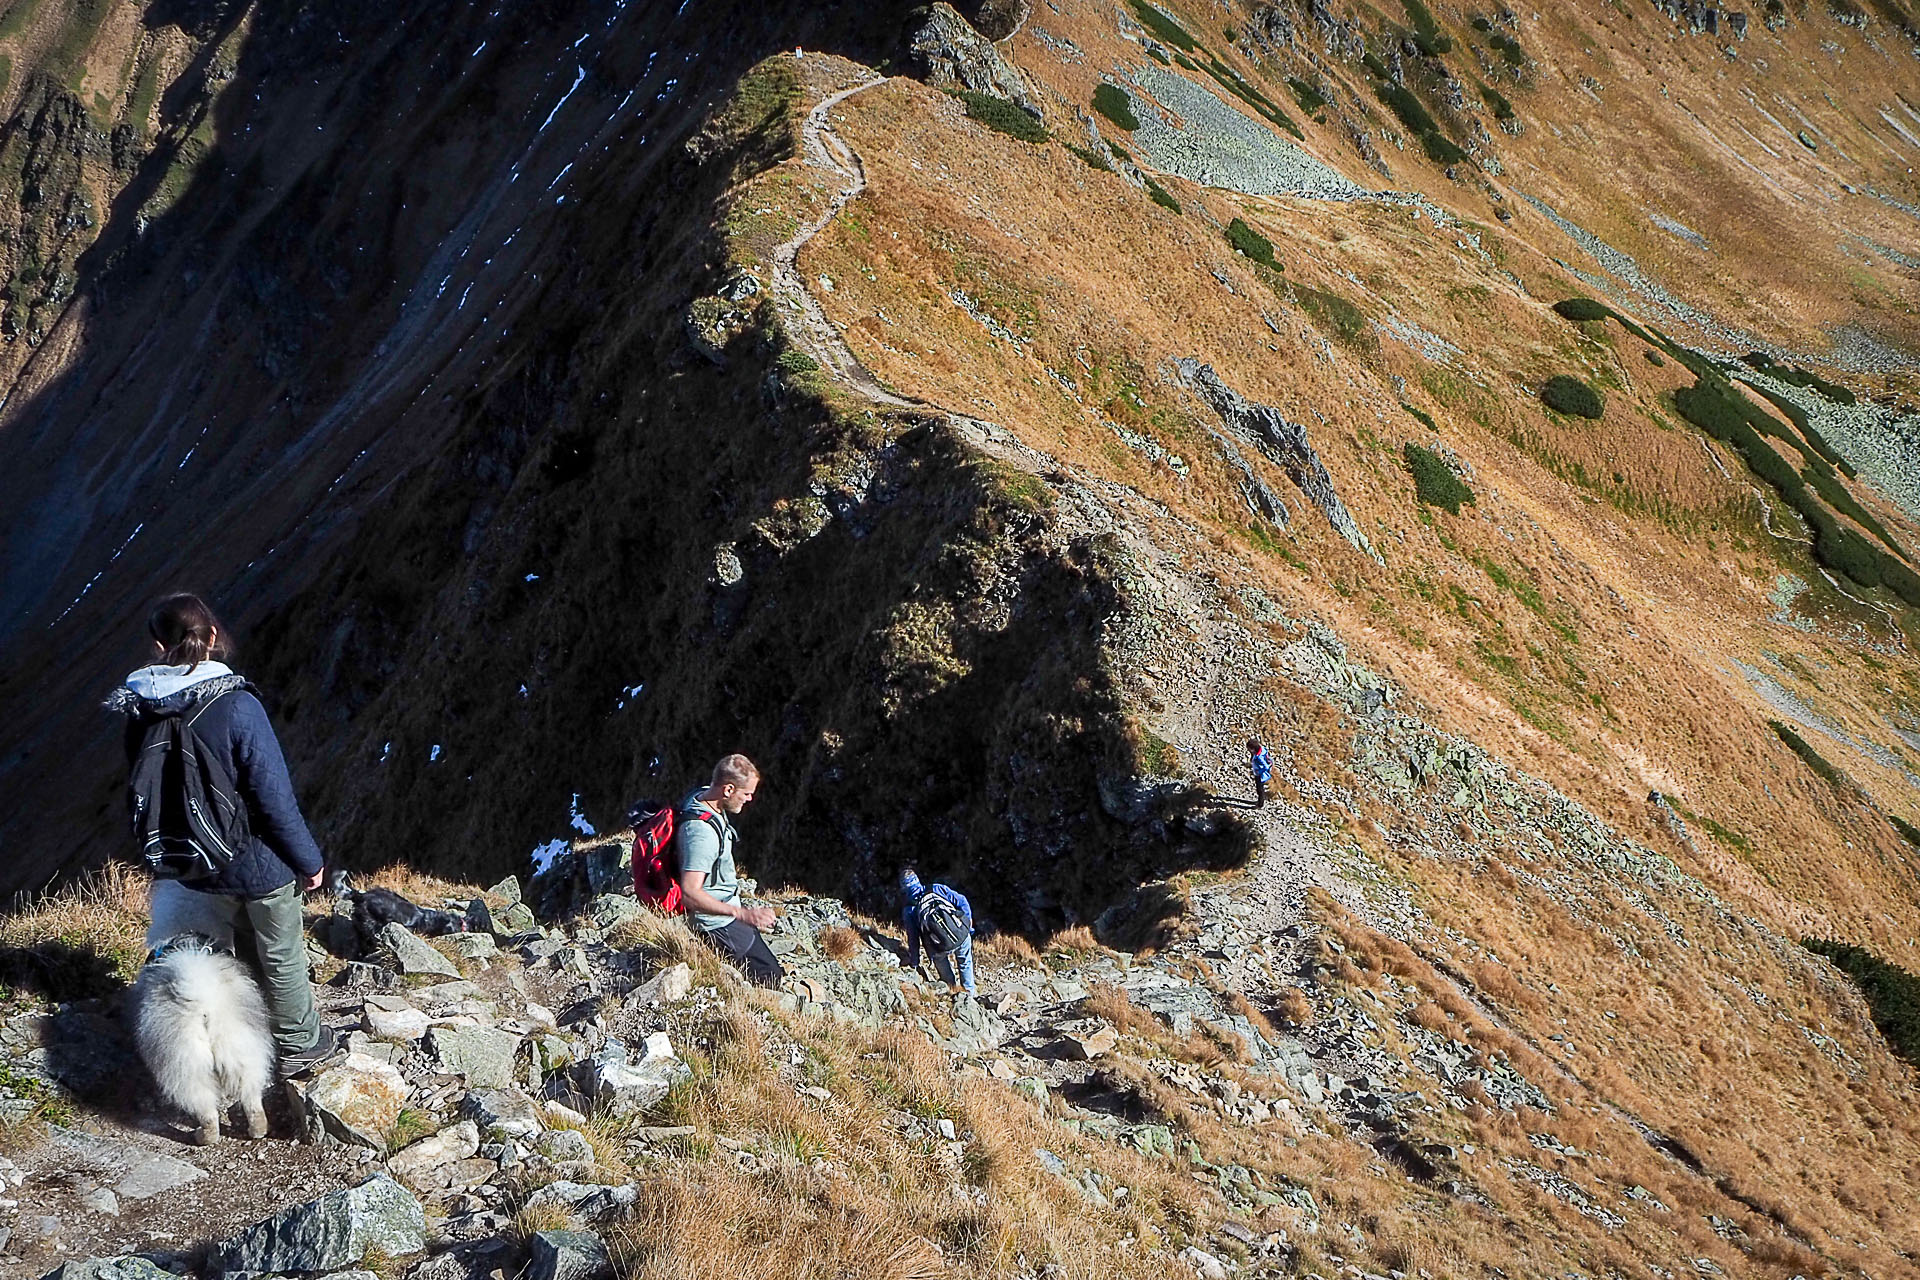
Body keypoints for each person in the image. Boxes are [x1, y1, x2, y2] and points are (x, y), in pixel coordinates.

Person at [108, 594, 340, 1077]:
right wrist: (309, 861)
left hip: (196, 860)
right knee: (281, 951)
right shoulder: (236, 705)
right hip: (257, 861)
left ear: (157, 645)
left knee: (234, 954)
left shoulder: (139, 709)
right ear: (212, 636)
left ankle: (244, 1041)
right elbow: (272, 795)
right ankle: (300, 1044)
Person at [675, 754, 783, 988]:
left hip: (727, 910)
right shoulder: (701, 834)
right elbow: (689, 893)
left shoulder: (703, 795)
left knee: (764, 959)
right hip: (714, 923)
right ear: (728, 789)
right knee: (770, 976)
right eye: (746, 794)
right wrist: (743, 914)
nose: (750, 799)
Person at [900, 868, 975, 997]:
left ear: (904, 888)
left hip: (938, 947)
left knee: (941, 963)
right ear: (917, 880)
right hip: (961, 934)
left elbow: (914, 940)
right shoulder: (936, 888)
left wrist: (915, 962)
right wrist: (968, 923)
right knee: (965, 963)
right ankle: (970, 996)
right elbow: (962, 901)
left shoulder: (909, 910)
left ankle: (951, 990)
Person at [1248, 737, 1272, 807]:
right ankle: (1260, 801)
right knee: (1261, 788)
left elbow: (1266, 767)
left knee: (1260, 789)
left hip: (1260, 775)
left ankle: (1260, 804)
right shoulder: (1262, 749)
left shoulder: (1259, 757)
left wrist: (1259, 771)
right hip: (1261, 773)